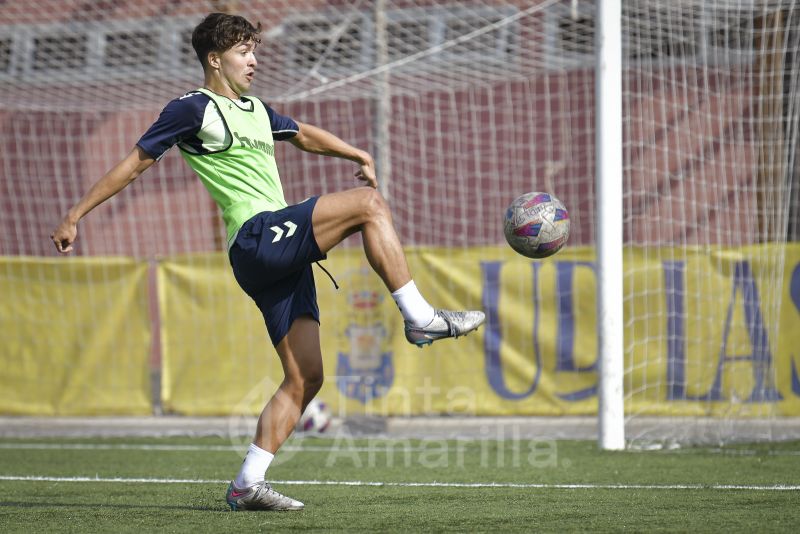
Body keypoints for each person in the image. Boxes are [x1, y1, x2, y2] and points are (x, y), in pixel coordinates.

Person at [51, 12, 484, 511]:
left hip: (275, 254)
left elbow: (302, 134)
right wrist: (75, 214)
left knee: (306, 378)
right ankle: (422, 319)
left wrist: (354, 152)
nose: (253, 60)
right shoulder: (193, 108)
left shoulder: (256, 108)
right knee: (369, 207)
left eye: (254, 50)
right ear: (215, 60)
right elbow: (135, 163)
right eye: (243, 52)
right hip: (256, 238)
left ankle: (246, 484)